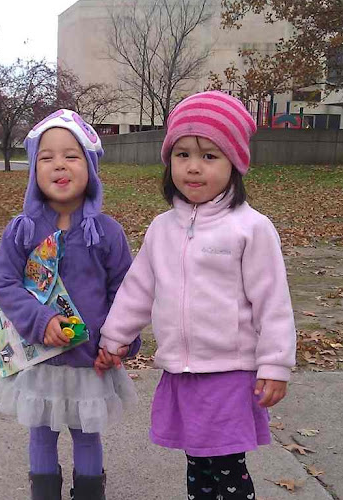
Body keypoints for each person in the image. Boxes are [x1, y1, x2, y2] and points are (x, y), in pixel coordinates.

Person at [95, 91, 296, 500]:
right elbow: (138, 289)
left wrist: (275, 364)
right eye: (182, 154)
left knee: (226, 467)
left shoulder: (250, 228)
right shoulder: (162, 228)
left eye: (209, 156)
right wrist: (114, 337)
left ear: (234, 163)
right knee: (198, 463)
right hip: (182, 372)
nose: (193, 167)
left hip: (229, 371)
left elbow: (272, 302)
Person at [0, 109, 139, 500]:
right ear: (33, 170)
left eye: (71, 156)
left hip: (90, 361)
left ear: (90, 168)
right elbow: (4, 283)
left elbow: (127, 292)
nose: (59, 165)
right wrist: (40, 321)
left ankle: (89, 493)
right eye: (47, 157)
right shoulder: (22, 231)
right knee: (41, 433)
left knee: (87, 435)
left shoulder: (106, 233)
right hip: (40, 360)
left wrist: (120, 342)